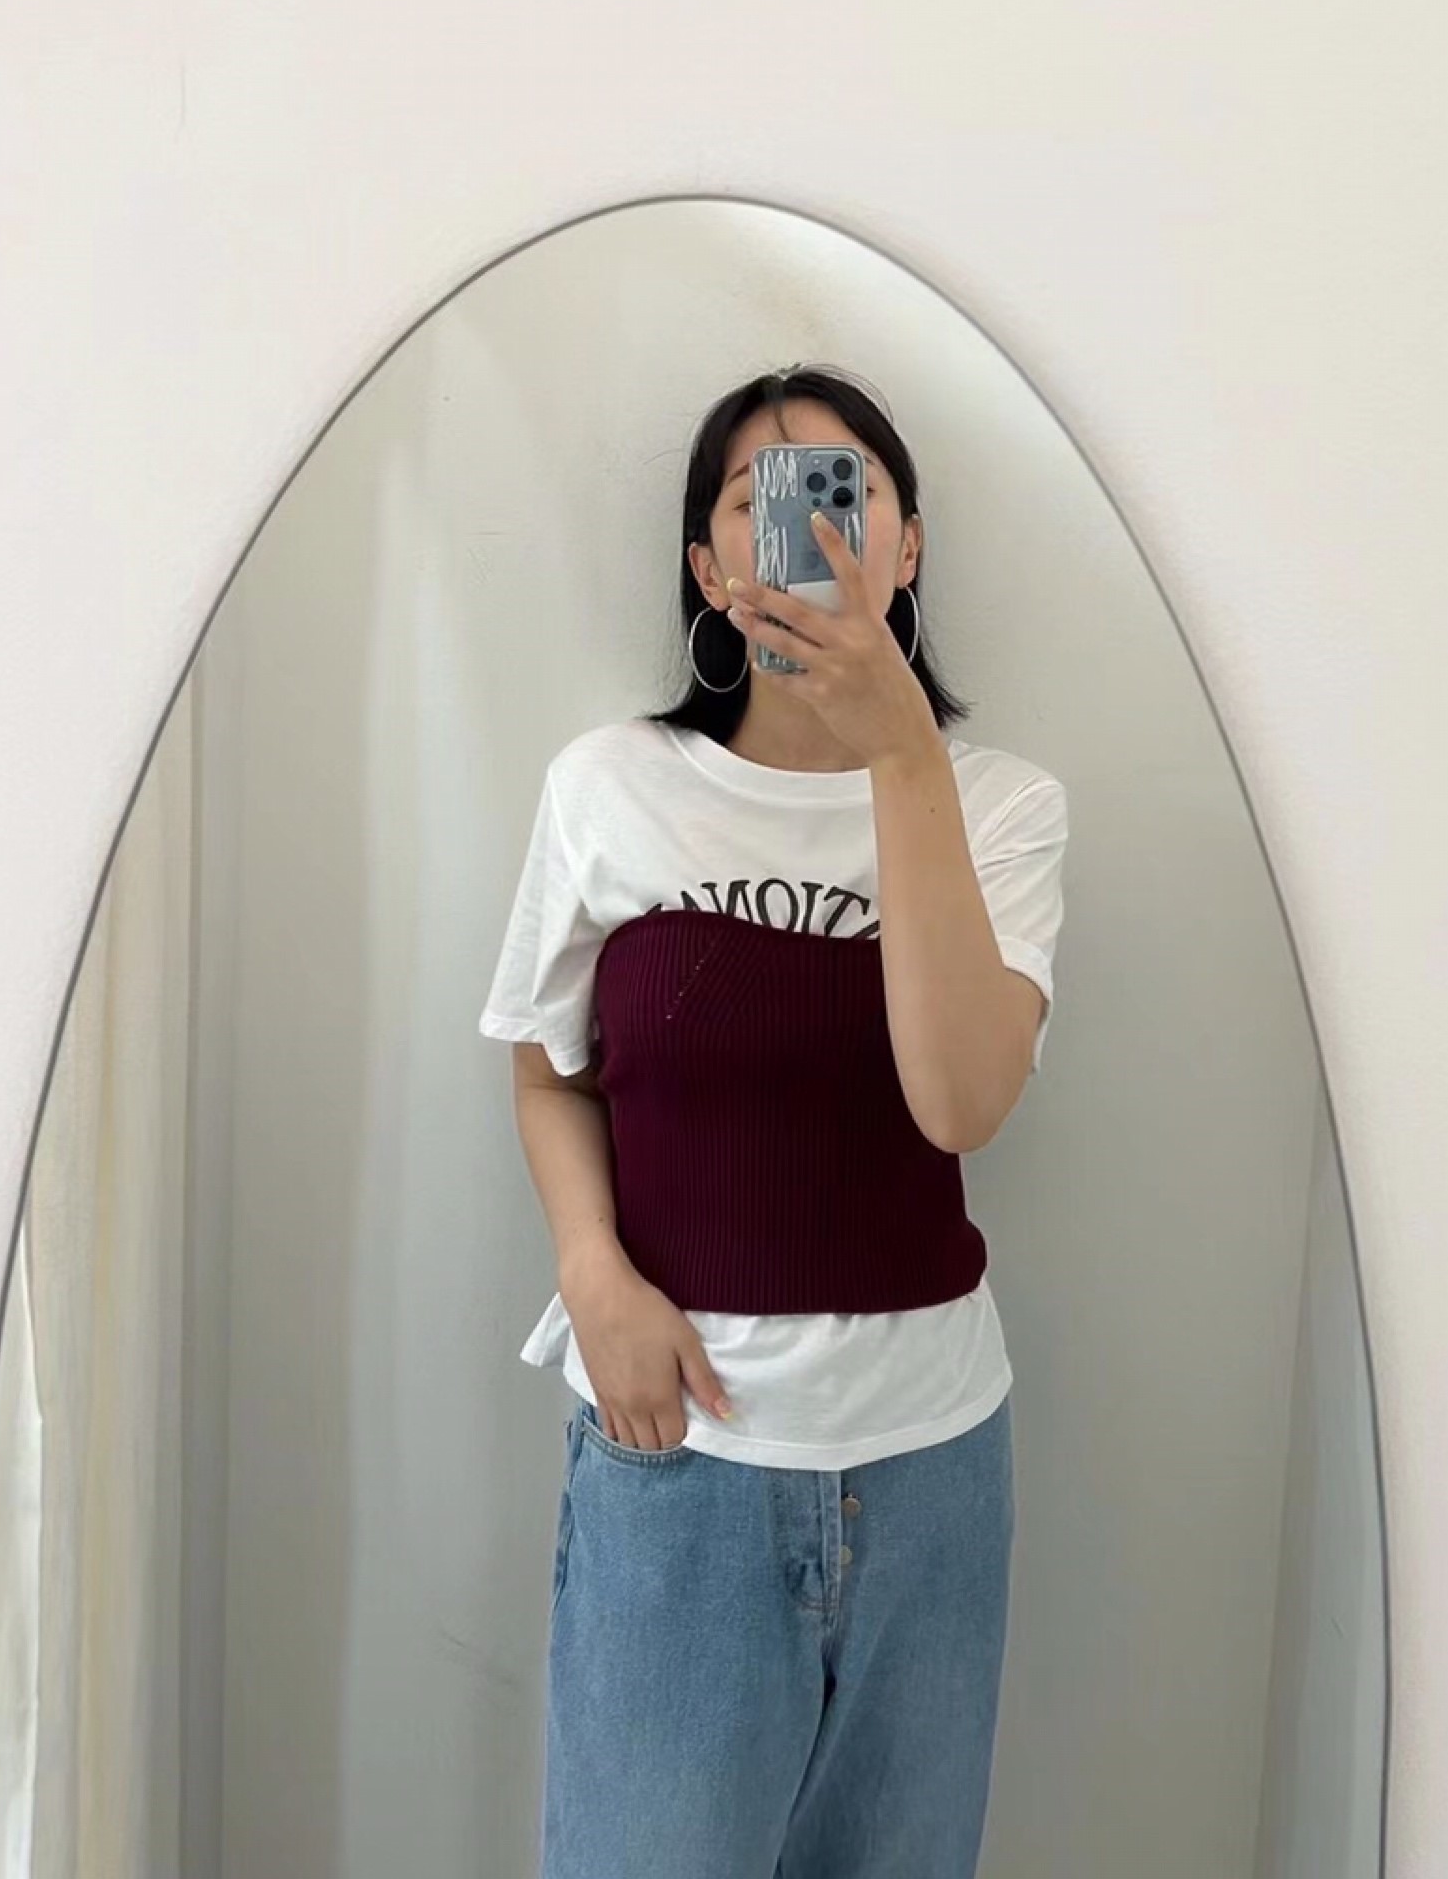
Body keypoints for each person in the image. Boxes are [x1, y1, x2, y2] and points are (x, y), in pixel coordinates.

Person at [479, 363, 1068, 1879]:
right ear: (708, 566)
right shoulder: (611, 786)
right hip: (679, 1456)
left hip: (935, 1467)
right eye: (760, 500)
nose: (805, 528)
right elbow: (548, 1070)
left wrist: (901, 753)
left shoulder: (1003, 806)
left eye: (843, 495)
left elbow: (961, 1102)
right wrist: (592, 1275)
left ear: (907, 545)